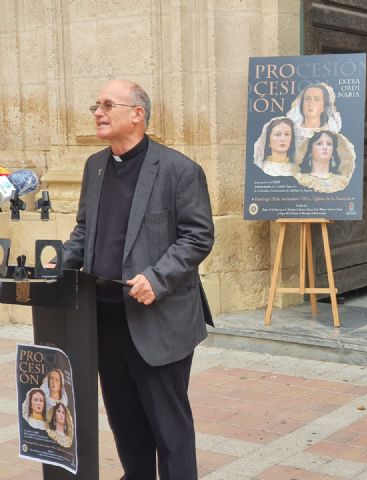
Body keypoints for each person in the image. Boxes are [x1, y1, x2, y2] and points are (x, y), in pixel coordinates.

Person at [59, 79, 214, 479]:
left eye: (108, 104)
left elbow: (198, 236)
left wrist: (157, 278)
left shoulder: (179, 170)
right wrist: (55, 265)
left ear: (137, 114)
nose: (98, 112)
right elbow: (83, 230)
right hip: (106, 320)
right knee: (125, 423)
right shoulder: (95, 166)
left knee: (170, 428)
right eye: (96, 105)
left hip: (157, 320)